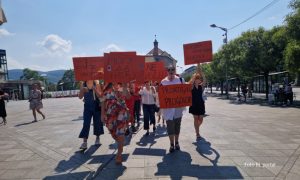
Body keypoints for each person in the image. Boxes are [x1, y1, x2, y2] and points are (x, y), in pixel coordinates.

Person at [101, 82, 130, 164]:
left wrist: (124, 87)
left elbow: (128, 97)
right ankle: (120, 143)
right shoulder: (106, 87)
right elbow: (102, 101)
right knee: (113, 133)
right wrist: (102, 113)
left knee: (120, 134)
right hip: (109, 115)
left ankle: (119, 154)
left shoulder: (122, 86)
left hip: (121, 113)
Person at [161, 65, 185, 153]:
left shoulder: (181, 80)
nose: (171, 71)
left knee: (177, 125)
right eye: (169, 70)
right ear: (167, 71)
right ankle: (171, 144)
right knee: (170, 126)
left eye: (172, 70)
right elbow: (160, 96)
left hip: (178, 108)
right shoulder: (163, 82)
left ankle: (177, 142)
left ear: (175, 71)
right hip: (168, 109)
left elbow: (185, 92)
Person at [78, 80, 104, 150]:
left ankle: (97, 138)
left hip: (96, 106)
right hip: (87, 107)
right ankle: (85, 142)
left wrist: (94, 89)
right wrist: (82, 89)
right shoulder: (83, 84)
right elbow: (80, 97)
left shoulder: (97, 83)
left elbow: (100, 95)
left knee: (97, 123)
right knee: (86, 123)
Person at [188, 69, 206, 141]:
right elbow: (190, 82)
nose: (198, 80)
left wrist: (202, 74)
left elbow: (204, 80)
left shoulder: (201, 86)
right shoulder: (191, 87)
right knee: (196, 118)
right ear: (195, 79)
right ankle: (197, 134)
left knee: (201, 119)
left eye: (199, 79)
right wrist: (194, 75)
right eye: (197, 78)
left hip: (201, 104)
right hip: (194, 104)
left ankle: (196, 128)